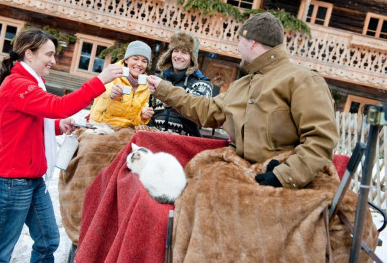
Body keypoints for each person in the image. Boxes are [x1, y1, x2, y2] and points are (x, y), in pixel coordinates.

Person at [147, 12, 339, 189]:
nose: (237, 46)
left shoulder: (302, 79)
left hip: (282, 179)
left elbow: (321, 139)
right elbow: (206, 110)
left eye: (239, 40)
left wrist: (284, 176)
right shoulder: (243, 85)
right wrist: (164, 89)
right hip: (241, 172)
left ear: (252, 43)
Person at [0, 28, 122, 263]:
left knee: (48, 242)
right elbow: (59, 106)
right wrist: (99, 81)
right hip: (11, 182)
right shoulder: (18, 85)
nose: (53, 61)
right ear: (29, 54)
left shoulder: (31, 83)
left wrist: (59, 125)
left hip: (33, 179)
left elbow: (34, 123)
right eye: (49, 54)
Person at [148, 31, 212, 136]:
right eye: (175, 51)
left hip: (184, 144)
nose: (178, 56)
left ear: (192, 58)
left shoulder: (201, 84)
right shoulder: (159, 80)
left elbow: (199, 116)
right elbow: (150, 114)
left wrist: (172, 104)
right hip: (155, 141)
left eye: (184, 52)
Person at [89, 40, 154, 128]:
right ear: (126, 60)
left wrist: (143, 116)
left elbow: (135, 120)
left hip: (125, 130)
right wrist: (112, 95)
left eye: (144, 61)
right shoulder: (113, 73)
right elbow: (103, 94)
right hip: (102, 125)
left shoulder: (145, 86)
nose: (139, 64)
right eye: (135, 59)